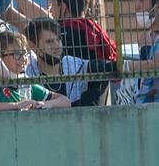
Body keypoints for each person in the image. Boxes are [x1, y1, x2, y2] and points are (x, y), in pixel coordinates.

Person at [24, 17, 159, 106]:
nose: (57, 46)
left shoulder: (74, 65)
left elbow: (114, 67)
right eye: (49, 42)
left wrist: (152, 64)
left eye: (58, 40)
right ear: (33, 46)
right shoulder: (27, 73)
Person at [0, 30, 71, 112]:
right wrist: (15, 106)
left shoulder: (27, 84)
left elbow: (65, 101)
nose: (23, 58)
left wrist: (45, 104)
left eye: (25, 53)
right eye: (17, 53)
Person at [134, 0, 159, 103]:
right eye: (136, 0)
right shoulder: (147, 38)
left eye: (141, 0)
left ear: (156, 7)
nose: (137, 6)